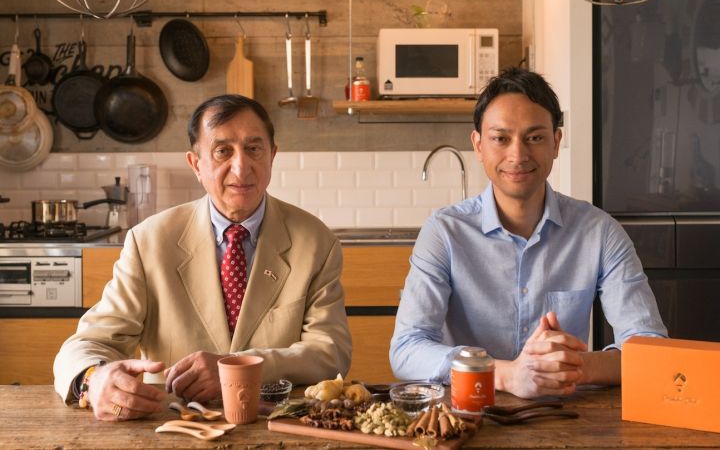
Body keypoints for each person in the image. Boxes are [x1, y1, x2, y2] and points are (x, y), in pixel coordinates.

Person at [54, 95, 352, 420]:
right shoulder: (149, 241)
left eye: (254, 149)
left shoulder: (316, 242)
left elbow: (330, 352)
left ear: (272, 155)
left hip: (279, 422)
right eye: (223, 151)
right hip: (173, 425)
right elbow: (88, 343)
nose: (241, 167)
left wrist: (235, 368)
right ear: (196, 164)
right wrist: (94, 380)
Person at [389, 67, 667, 398]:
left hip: (565, 413)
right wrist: (506, 375)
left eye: (534, 138)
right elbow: (407, 349)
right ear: (478, 145)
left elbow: (652, 351)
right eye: (501, 138)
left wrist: (574, 365)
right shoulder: (444, 232)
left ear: (556, 142)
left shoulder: (600, 232)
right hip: (468, 413)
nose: (518, 155)